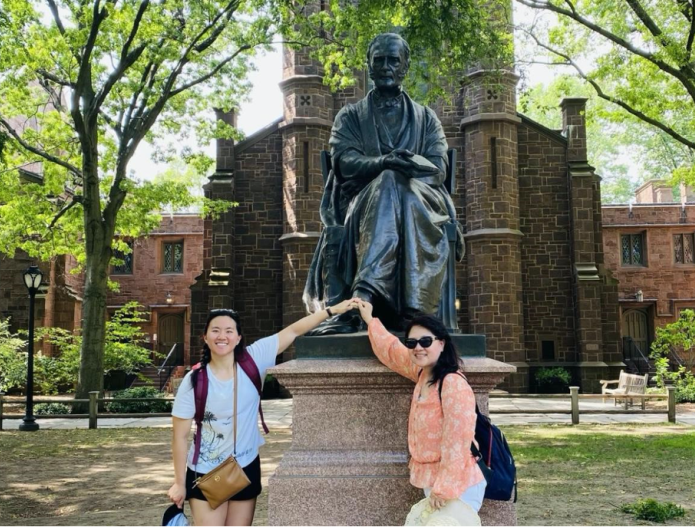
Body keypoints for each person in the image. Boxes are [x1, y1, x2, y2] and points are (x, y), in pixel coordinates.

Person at [304, 32, 464, 333]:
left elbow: (438, 167)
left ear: (405, 67)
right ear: (369, 65)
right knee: (388, 179)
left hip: (421, 204)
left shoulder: (427, 119)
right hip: (362, 205)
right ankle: (413, 310)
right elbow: (343, 161)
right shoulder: (350, 117)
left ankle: (363, 295)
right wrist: (383, 164)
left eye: (393, 60)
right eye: (379, 60)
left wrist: (405, 170)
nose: (386, 66)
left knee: (397, 183)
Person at [168, 299, 357, 526]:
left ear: (238, 338)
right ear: (205, 337)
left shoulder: (254, 359)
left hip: (245, 465)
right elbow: (179, 437)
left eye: (229, 331)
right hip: (205, 471)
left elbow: (294, 330)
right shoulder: (194, 380)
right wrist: (179, 483)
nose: (222, 336)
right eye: (215, 330)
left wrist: (331, 310)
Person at [355, 299, 485, 521]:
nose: (418, 348)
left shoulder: (452, 383)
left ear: (441, 343)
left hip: (458, 484)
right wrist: (369, 319)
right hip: (434, 482)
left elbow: (458, 439)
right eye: (412, 342)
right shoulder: (422, 374)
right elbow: (391, 349)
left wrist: (444, 488)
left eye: (426, 341)